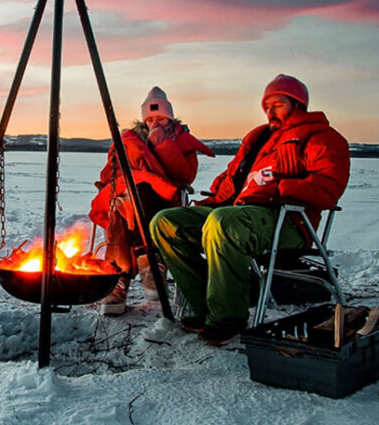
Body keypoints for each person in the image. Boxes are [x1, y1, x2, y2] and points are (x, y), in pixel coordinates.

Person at [149, 74, 350, 344]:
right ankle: (206, 306)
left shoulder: (321, 137)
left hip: (287, 220)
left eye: (277, 104)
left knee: (222, 222)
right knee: (165, 222)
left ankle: (227, 317)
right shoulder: (259, 140)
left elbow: (328, 188)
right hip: (238, 212)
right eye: (266, 105)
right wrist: (212, 201)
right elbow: (233, 178)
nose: (269, 111)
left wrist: (279, 187)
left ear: (297, 104)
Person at [90, 86, 214, 315]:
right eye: (151, 118)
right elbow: (108, 174)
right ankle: (144, 268)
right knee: (123, 205)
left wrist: (162, 145)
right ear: (143, 120)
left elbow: (185, 175)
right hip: (125, 198)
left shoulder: (182, 141)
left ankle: (125, 275)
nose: (156, 122)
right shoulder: (128, 141)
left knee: (140, 192)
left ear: (171, 118)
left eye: (161, 118)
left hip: (164, 199)